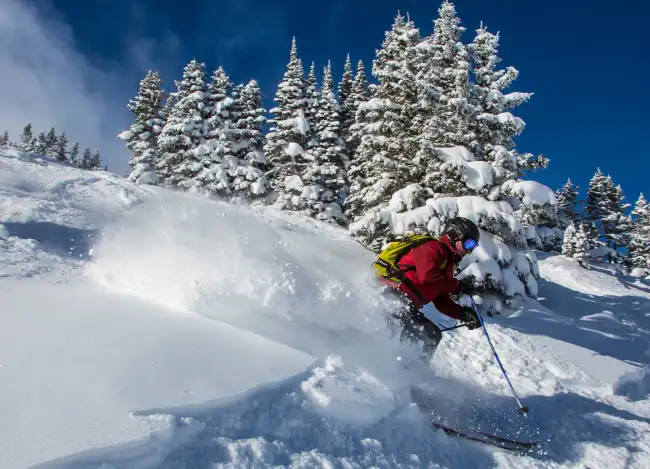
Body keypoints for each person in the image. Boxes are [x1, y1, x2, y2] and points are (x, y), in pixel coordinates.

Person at [379, 217, 483, 360]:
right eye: (469, 243)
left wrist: (462, 314)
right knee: (426, 335)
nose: (469, 250)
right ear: (455, 235)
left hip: (405, 304)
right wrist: (457, 286)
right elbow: (428, 277)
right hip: (391, 296)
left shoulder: (447, 263)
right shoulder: (433, 248)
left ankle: (411, 372)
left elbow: (440, 299)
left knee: (432, 335)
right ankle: (404, 370)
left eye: (473, 247)